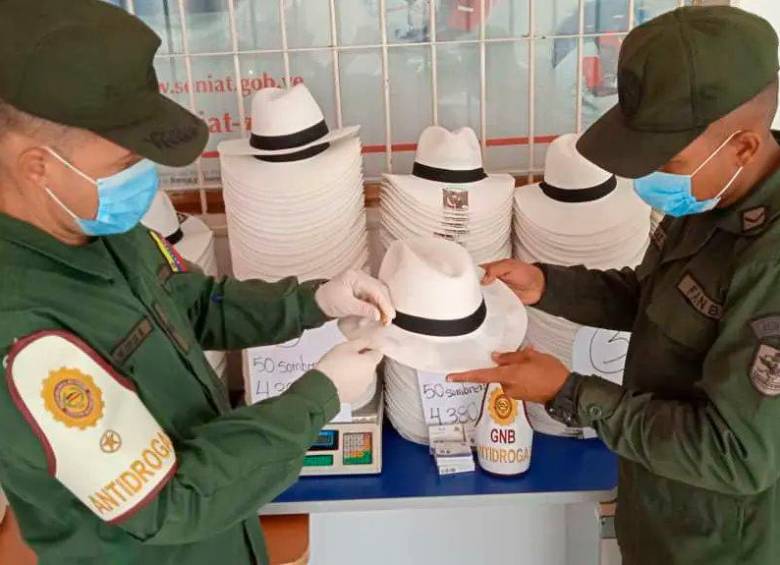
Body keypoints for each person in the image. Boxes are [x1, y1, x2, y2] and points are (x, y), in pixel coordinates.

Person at [0, 1, 394, 564]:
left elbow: (195, 304)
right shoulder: (20, 331)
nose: (143, 176)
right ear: (38, 165)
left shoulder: (96, 226)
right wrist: (319, 395)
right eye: (125, 159)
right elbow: (169, 504)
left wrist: (314, 301)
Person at [450, 6, 780, 565]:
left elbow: (738, 455)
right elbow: (655, 300)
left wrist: (569, 393)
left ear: (743, 147)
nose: (649, 175)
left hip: (718, 543)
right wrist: (545, 285)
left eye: (667, 159)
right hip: (657, 509)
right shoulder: (713, 192)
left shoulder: (769, 261)